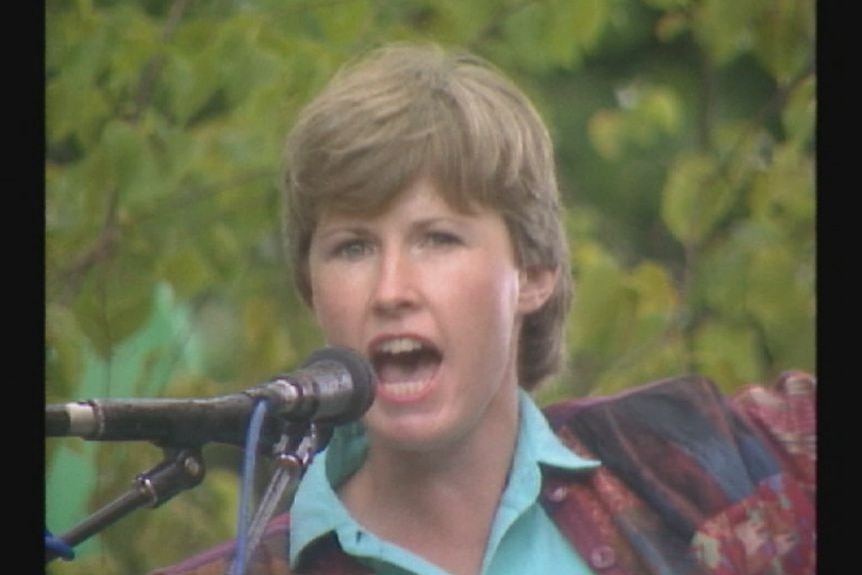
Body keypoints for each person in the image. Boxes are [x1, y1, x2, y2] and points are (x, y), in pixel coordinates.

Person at [151, 42, 816, 575]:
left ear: (532, 272)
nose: (391, 289)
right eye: (353, 247)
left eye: (437, 238)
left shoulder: (698, 462)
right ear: (311, 287)